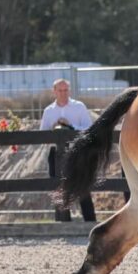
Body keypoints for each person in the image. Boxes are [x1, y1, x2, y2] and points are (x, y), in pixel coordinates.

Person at [40, 78, 96, 222]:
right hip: (56, 154)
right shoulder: (48, 111)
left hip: (77, 152)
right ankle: (62, 221)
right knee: (58, 188)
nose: (63, 93)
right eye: (60, 90)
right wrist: (53, 129)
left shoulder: (79, 107)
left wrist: (71, 126)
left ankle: (89, 221)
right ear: (55, 91)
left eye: (66, 90)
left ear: (69, 91)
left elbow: (89, 128)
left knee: (82, 186)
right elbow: (41, 135)